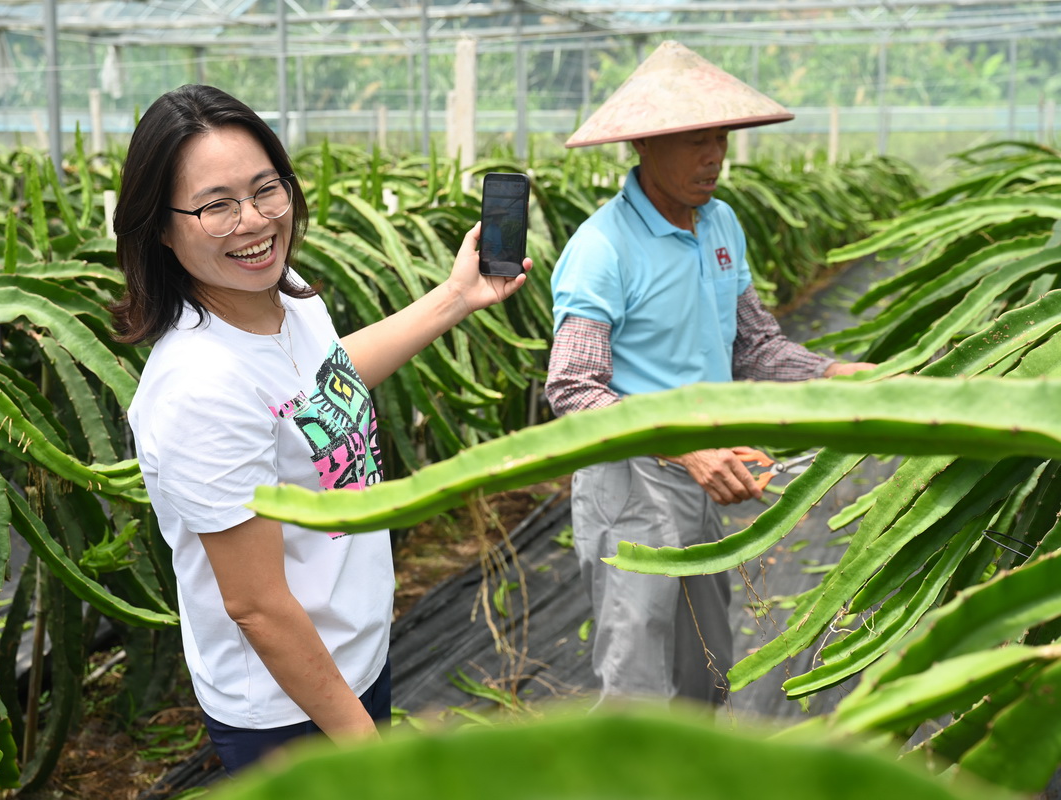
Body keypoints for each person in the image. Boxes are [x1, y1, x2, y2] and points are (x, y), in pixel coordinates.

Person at [111, 84, 530, 773]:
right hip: (288, 710)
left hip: (351, 659)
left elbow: (325, 386)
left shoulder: (284, 295)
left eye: (265, 188)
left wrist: (458, 295)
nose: (252, 221)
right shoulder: (199, 388)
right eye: (216, 205)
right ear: (159, 226)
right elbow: (256, 605)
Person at [544, 42, 873, 707]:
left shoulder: (721, 223)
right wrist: (684, 447)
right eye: (695, 139)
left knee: (708, 670)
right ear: (642, 144)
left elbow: (754, 347)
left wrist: (842, 374)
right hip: (633, 483)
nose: (714, 155)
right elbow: (573, 389)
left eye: (720, 136)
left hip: (710, 474)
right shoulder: (602, 249)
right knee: (637, 680)